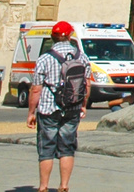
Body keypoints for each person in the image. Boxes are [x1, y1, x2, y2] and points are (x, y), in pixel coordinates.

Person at [27, 20, 91, 192]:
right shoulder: (82, 57)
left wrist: (31, 112)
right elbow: (87, 85)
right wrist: (83, 105)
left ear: (52, 37)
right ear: (70, 36)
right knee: (67, 148)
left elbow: (36, 89)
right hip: (72, 107)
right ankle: (63, 186)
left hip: (48, 108)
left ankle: (43, 186)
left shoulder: (45, 58)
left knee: (47, 148)